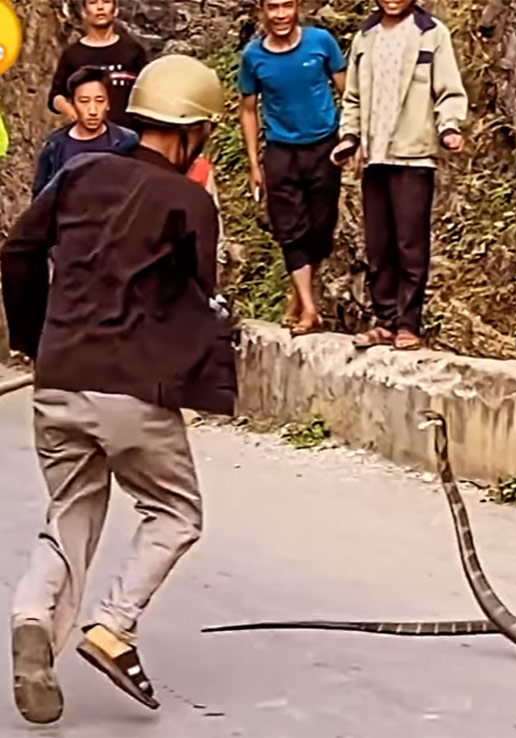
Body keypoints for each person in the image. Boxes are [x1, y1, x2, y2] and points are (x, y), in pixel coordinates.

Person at [3, 55, 234, 724]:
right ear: (191, 132)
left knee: (71, 508)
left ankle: (31, 617)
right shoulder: (189, 201)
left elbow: (18, 251)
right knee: (175, 514)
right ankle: (113, 626)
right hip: (132, 387)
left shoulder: (78, 174)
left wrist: (34, 339)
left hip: (60, 377)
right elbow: (199, 298)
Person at [331, 0, 468, 351]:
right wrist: (349, 137)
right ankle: (384, 320)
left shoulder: (432, 34)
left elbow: (449, 91)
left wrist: (449, 127)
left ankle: (408, 323)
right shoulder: (366, 36)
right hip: (375, 156)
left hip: (414, 153)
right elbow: (353, 98)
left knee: (410, 243)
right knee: (379, 244)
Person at [239, 0, 347, 335]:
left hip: (324, 145)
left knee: (321, 226)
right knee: (290, 229)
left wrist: (354, 137)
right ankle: (309, 309)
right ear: (262, 12)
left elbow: (348, 90)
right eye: (273, 7)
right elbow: (248, 110)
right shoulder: (253, 57)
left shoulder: (321, 42)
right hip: (281, 150)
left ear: (297, 7)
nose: (281, 14)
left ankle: (298, 295)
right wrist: (254, 162)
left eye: (287, 5)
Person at [33, 66, 138, 199]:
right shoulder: (55, 145)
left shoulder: (126, 141)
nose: (92, 110)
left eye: (100, 101)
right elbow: (40, 197)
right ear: (73, 104)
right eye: (84, 101)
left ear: (108, 103)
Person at [48, 0, 147, 129]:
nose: (100, 7)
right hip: (87, 138)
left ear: (115, 9)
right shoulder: (73, 54)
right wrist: (71, 111)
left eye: (106, 2)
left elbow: (146, 92)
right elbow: (56, 96)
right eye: (93, 3)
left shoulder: (133, 50)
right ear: (84, 12)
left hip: (129, 136)